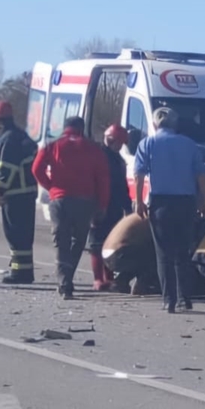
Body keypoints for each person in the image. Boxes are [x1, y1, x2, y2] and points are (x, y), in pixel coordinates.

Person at [134, 107, 205, 314]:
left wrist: (139, 201)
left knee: (163, 253)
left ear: (155, 124)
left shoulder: (147, 143)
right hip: (186, 203)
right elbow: (201, 175)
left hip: (160, 203)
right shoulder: (189, 145)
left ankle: (169, 299)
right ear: (175, 124)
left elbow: (139, 174)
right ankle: (185, 298)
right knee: (183, 252)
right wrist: (204, 200)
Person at [31, 116, 110, 299]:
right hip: (85, 201)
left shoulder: (53, 145)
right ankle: (67, 278)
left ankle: (64, 282)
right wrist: (102, 205)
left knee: (61, 241)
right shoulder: (93, 148)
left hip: (59, 200)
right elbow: (103, 180)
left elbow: (36, 168)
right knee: (78, 241)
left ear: (65, 128)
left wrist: (51, 186)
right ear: (81, 129)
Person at [0, 101, 40, 285]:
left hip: (15, 194)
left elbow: (6, 168)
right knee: (24, 234)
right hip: (27, 193)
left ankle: (20, 273)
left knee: (16, 234)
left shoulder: (8, 139)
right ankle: (25, 272)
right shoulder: (19, 136)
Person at [89, 125, 132, 291]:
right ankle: (98, 279)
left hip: (113, 206)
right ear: (110, 140)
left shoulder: (117, 159)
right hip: (98, 205)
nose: (120, 147)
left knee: (110, 243)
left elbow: (122, 186)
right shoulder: (98, 157)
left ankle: (109, 277)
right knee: (96, 243)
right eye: (119, 143)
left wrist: (127, 207)